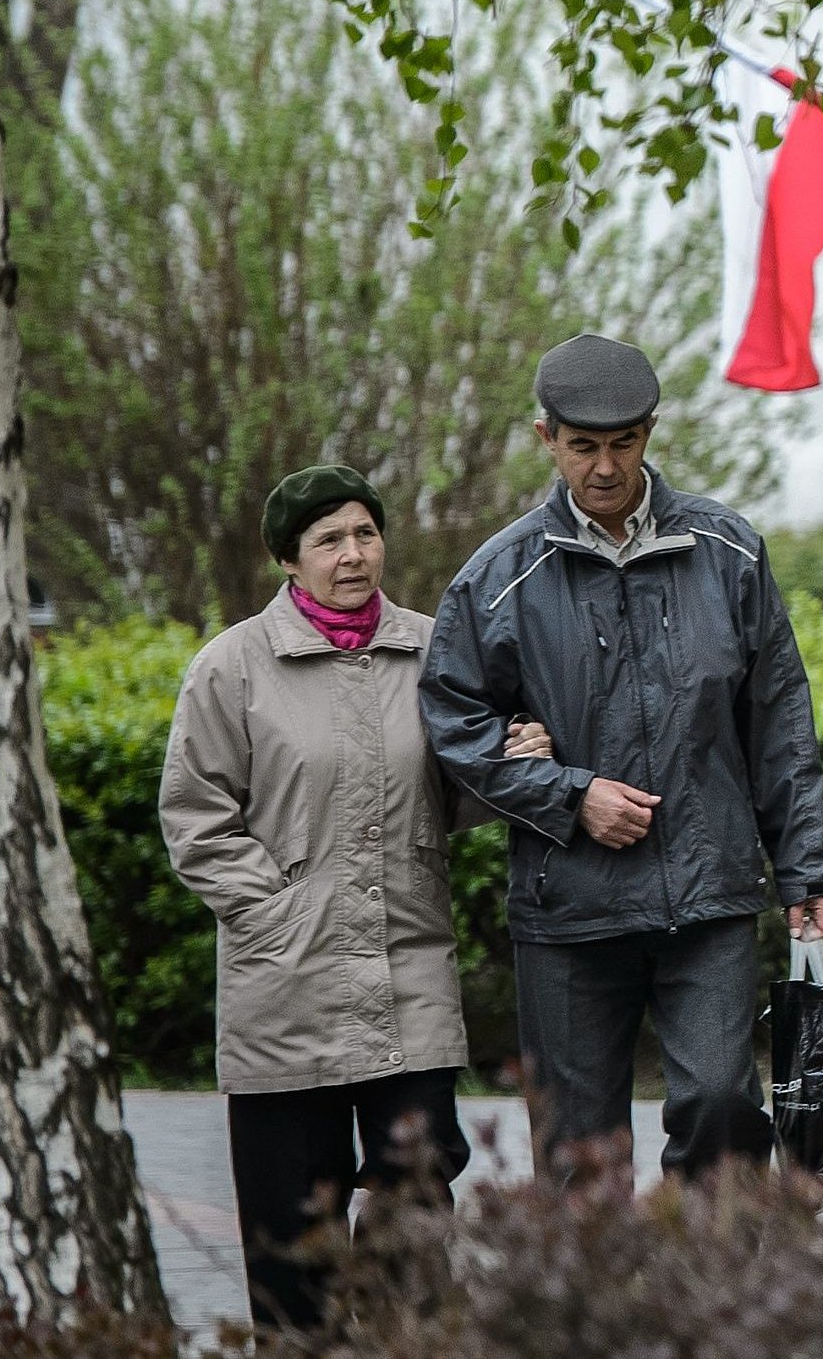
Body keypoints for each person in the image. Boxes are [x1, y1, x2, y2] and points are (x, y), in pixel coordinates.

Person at [421, 333, 823, 1188]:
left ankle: (714, 1311)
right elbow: (454, 721)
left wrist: (803, 868)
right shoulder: (496, 578)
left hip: (708, 895)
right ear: (546, 438)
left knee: (723, 1106)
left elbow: (778, 723)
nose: (604, 467)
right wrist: (568, 795)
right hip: (568, 909)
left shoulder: (729, 552)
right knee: (578, 1150)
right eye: (583, 448)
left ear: (650, 432)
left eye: (622, 444)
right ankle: (593, 1323)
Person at [158, 466, 551, 1328]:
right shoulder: (231, 668)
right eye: (329, 540)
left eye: (365, 534)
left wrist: (510, 763)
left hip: (408, 966)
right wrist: (279, 915)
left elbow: (452, 792)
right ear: (289, 560)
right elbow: (196, 820)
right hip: (284, 981)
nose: (353, 554)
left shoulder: (435, 648)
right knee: (291, 1225)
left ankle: (396, 1342)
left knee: (419, 1192)